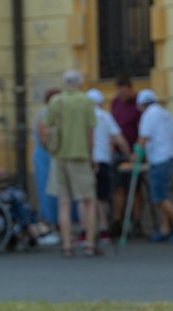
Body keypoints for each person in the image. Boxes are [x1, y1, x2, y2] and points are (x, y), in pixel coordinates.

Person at [45, 70, 100, 257]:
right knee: (89, 201)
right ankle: (90, 245)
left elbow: (47, 127)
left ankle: (67, 246)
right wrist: (92, 155)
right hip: (80, 156)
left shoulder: (56, 101)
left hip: (59, 157)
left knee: (64, 203)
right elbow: (90, 132)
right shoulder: (86, 102)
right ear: (80, 83)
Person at [136, 89, 173, 242]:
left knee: (159, 197)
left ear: (141, 105)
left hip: (158, 159)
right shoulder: (165, 113)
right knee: (162, 194)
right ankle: (164, 228)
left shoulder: (148, 115)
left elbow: (143, 138)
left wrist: (135, 157)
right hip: (169, 157)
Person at [85, 88, 131, 246]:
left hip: (86, 160)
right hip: (103, 159)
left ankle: (87, 231)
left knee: (86, 198)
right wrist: (129, 156)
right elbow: (119, 139)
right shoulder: (105, 116)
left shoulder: (83, 117)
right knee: (102, 197)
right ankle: (104, 229)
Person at [111, 74, 144, 237]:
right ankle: (118, 221)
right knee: (118, 188)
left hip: (134, 153)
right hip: (118, 153)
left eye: (124, 93)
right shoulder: (115, 102)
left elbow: (143, 129)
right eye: (119, 92)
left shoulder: (138, 104)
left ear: (131, 89)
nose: (122, 96)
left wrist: (137, 151)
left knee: (135, 188)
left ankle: (137, 221)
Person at [32, 87, 62, 246]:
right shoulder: (45, 114)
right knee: (47, 192)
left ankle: (54, 224)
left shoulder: (49, 113)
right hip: (46, 157)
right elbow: (44, 140)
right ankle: (49, 224)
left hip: (50, 156)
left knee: (53, 193)